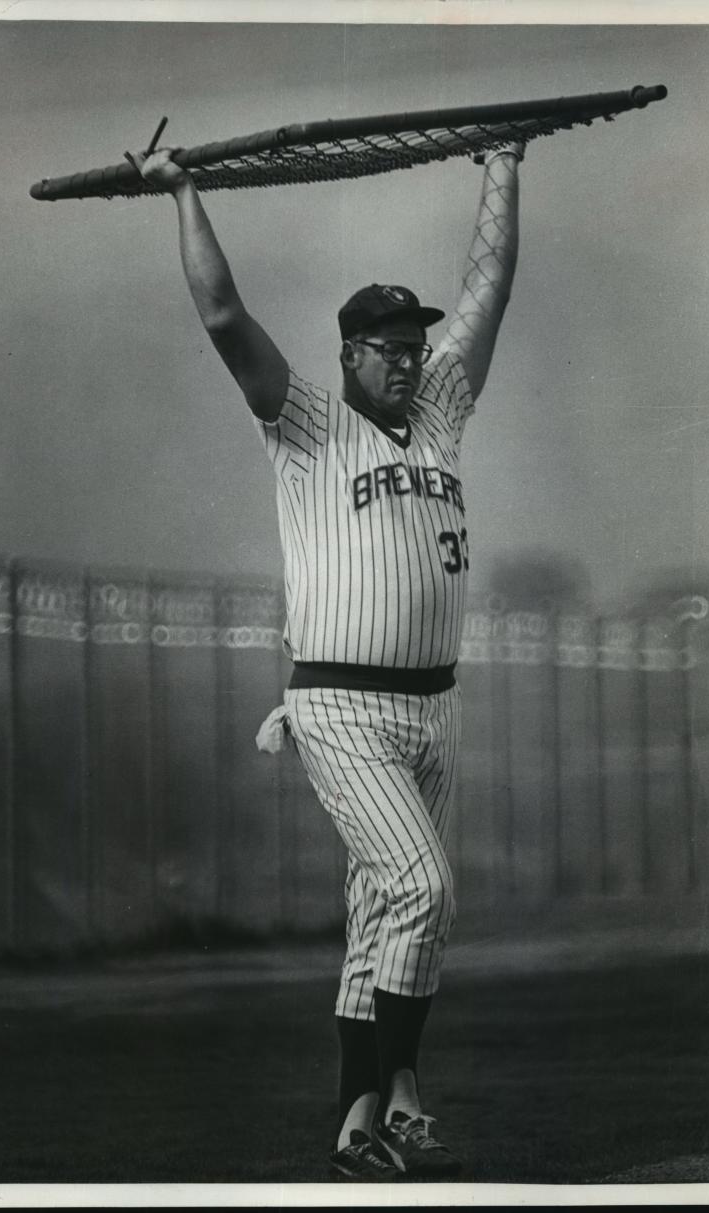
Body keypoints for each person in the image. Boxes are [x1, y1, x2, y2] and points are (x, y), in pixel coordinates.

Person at [132, 137, 522, 1181]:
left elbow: (486, 295)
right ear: (348, 355)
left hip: (433, 709)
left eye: (410, 342)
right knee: (422, 886)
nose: (405, 356)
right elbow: (223, 317)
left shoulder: (438, 418)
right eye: (385, 344)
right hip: (343, 705)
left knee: (390, 919)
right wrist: (185, 191)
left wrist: (505, 168)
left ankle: (358, 1128)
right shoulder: (305, 425)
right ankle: (389, 1095)